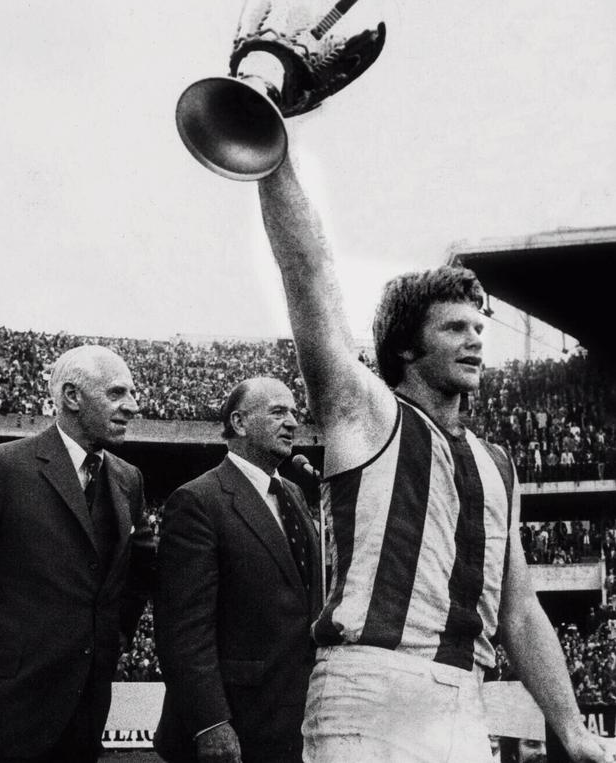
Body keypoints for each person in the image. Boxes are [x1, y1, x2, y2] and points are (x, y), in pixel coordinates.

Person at [254, 148, 609, 762]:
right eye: (453, 328)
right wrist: (268, 152)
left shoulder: (498, 462)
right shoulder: (365, 410)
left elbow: (520, 612)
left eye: (479, 328)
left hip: (465, 700)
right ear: (407, 351)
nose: (474, 338)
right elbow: (305, 270)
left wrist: (573, 728)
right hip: (369, 686)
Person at [0, 344, 156, 763]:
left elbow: (139, 570)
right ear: (72, 396)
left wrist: (114, 635)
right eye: (117, 393)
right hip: (3, 707)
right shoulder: (1, 467)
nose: (133, 406)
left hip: (87, 706)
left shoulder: (129, 479)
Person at [154, 376, 321, 763]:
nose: (293, 422)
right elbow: (183, 628)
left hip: (293, 721)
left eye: (294, 411)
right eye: (279, 411)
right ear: (240, 422)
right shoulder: (198, 500)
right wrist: (210, 722)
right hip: (234, 726)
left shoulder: (294, 494)